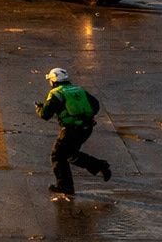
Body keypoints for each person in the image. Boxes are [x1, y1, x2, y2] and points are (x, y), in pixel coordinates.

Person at [37, 68, 111, 198]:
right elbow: (95, 105)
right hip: (86, 128)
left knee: (58, 155)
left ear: (54, 80)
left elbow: (45, 115)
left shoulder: (56, 93)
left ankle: (65, 186)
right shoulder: (79, 90)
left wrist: (39, 108)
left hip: (71, 130)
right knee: (70, 154)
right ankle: (100, 166)